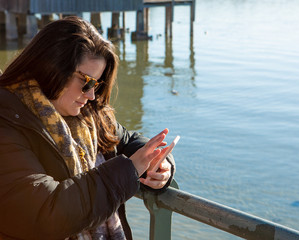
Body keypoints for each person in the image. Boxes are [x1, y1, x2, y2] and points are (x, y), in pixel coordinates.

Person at [0, 16, 175, 240]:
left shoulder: (90, 116)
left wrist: (158, 164)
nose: (91, 95)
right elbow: (44, 214)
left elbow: (126, 140)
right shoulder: (7, 121)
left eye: (97, 84)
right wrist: (128, 172)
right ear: (51, 67)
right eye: (87, 82)